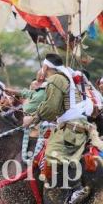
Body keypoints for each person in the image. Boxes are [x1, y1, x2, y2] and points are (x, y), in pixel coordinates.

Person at [22, 54, 93, 204]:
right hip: (75, 124)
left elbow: (51, 108)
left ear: (46, 67)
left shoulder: (56, 78)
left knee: (52, 153)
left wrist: (32, 118)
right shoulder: (63, 77)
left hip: (72, 127)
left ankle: (76, 187)